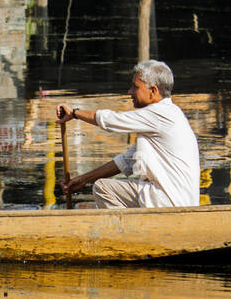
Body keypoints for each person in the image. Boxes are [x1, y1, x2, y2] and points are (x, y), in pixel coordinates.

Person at [56, 60, 200, 209]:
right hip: (176, 200)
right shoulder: (169, 115)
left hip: (168, 201)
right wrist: (83, 179)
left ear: (153, 91)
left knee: (103, 189)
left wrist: (74, 113)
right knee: (103, 187)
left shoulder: (160, 114)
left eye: (135, 87)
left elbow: (111, 120)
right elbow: (125, 161)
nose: (130, 92)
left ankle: (126, 231)